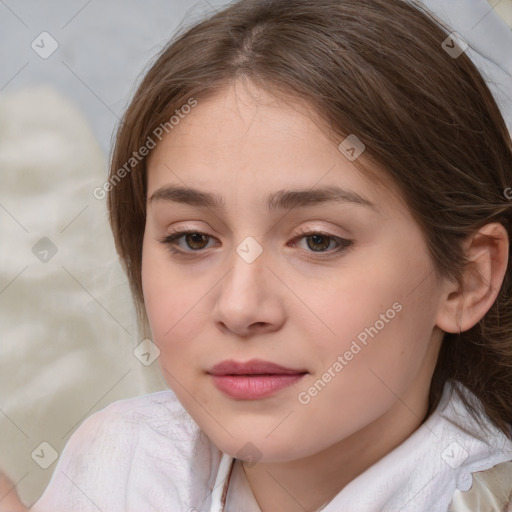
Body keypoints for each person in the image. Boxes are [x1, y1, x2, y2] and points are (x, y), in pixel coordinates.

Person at [12, 0, 512, 510]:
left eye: (318, 241)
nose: (239, 307)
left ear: (467, 280)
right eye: (193, 239)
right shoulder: (120, 458)